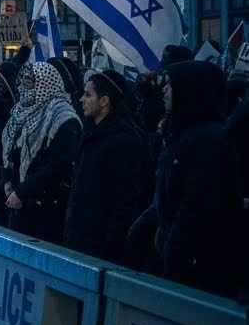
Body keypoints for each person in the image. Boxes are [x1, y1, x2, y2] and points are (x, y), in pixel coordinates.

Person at [129, 61, 242, 296]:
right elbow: (165, 196)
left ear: (191, 91)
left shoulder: (208, 140)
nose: (164, 90)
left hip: (197, 269)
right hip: (169, 254)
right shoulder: (179, 135)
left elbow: (196, 207)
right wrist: (140, 230)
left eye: (170, 85)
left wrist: (175, 257)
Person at [63, 70, 143, 263]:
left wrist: (112, 244)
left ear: (104, 101)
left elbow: (124, 199)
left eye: (88, 95)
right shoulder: (91, 134)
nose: (81, 99)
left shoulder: (124, 141)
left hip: (101, 247)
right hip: (80, 238)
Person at [0, 62, 82, 243]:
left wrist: (22, 192)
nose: (23, 87)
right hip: (18, 204)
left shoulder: (63, 117)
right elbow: (12, 151)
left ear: (44, 84)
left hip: (46, 209)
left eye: (29, 81)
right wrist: (7, 180)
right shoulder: (21, 112)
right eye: (23, 81)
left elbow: (59, 163)